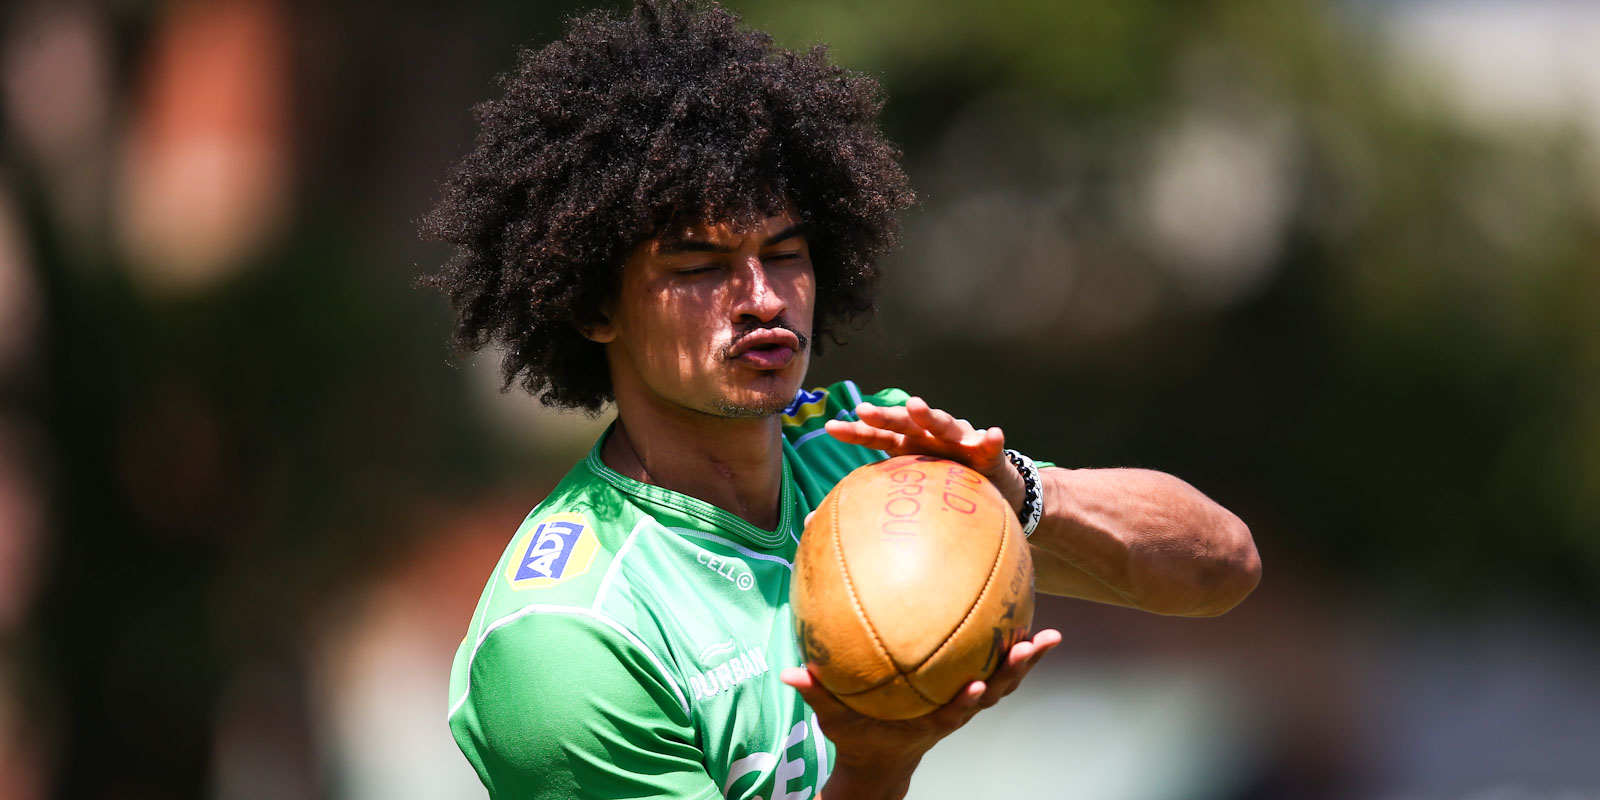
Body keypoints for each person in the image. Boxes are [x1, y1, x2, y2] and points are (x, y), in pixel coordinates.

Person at [424, 2, 1260, 798]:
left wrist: (1017, 491)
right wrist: (874, 770)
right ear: (593, 308)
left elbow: (1221, 569)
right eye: (700, 267)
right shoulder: (569, 638)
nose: (762, 298)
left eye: (786, 254)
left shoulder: (862, 448)